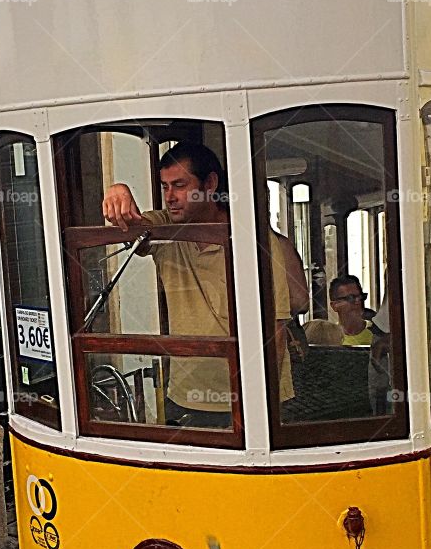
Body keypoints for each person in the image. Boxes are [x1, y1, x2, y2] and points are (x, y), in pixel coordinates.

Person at [102, 141, 295, 427]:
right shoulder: (164, 229)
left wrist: (259, 404)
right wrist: (117, 193)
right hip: (186, 398)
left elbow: (276, 329)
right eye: (164, 186)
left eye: (179, 185)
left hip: (252, 398)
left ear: (210, 183)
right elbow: (127, 231)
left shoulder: (255, 240)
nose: (170, 197)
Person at [303, 275, 374, 347]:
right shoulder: (330, 337)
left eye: (361, 297)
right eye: (350, 298)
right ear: (334, 305)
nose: (358, 301)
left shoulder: (378, 333)